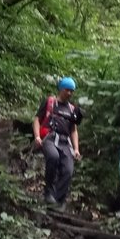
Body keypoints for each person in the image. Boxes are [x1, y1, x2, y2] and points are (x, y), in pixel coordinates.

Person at [33, 77, 82, 206]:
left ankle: (57, 199)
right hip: (49, 137)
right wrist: (37, 136)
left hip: (65, 142)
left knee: (68, 170)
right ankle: (48, 192)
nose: (70, 93)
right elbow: (37, 120)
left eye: (72, 91)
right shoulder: (50, 102)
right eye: (67, 90)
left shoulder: (72, 109)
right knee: (53, 157)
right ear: (61, 89)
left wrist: (76, 149)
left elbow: (73, 130)